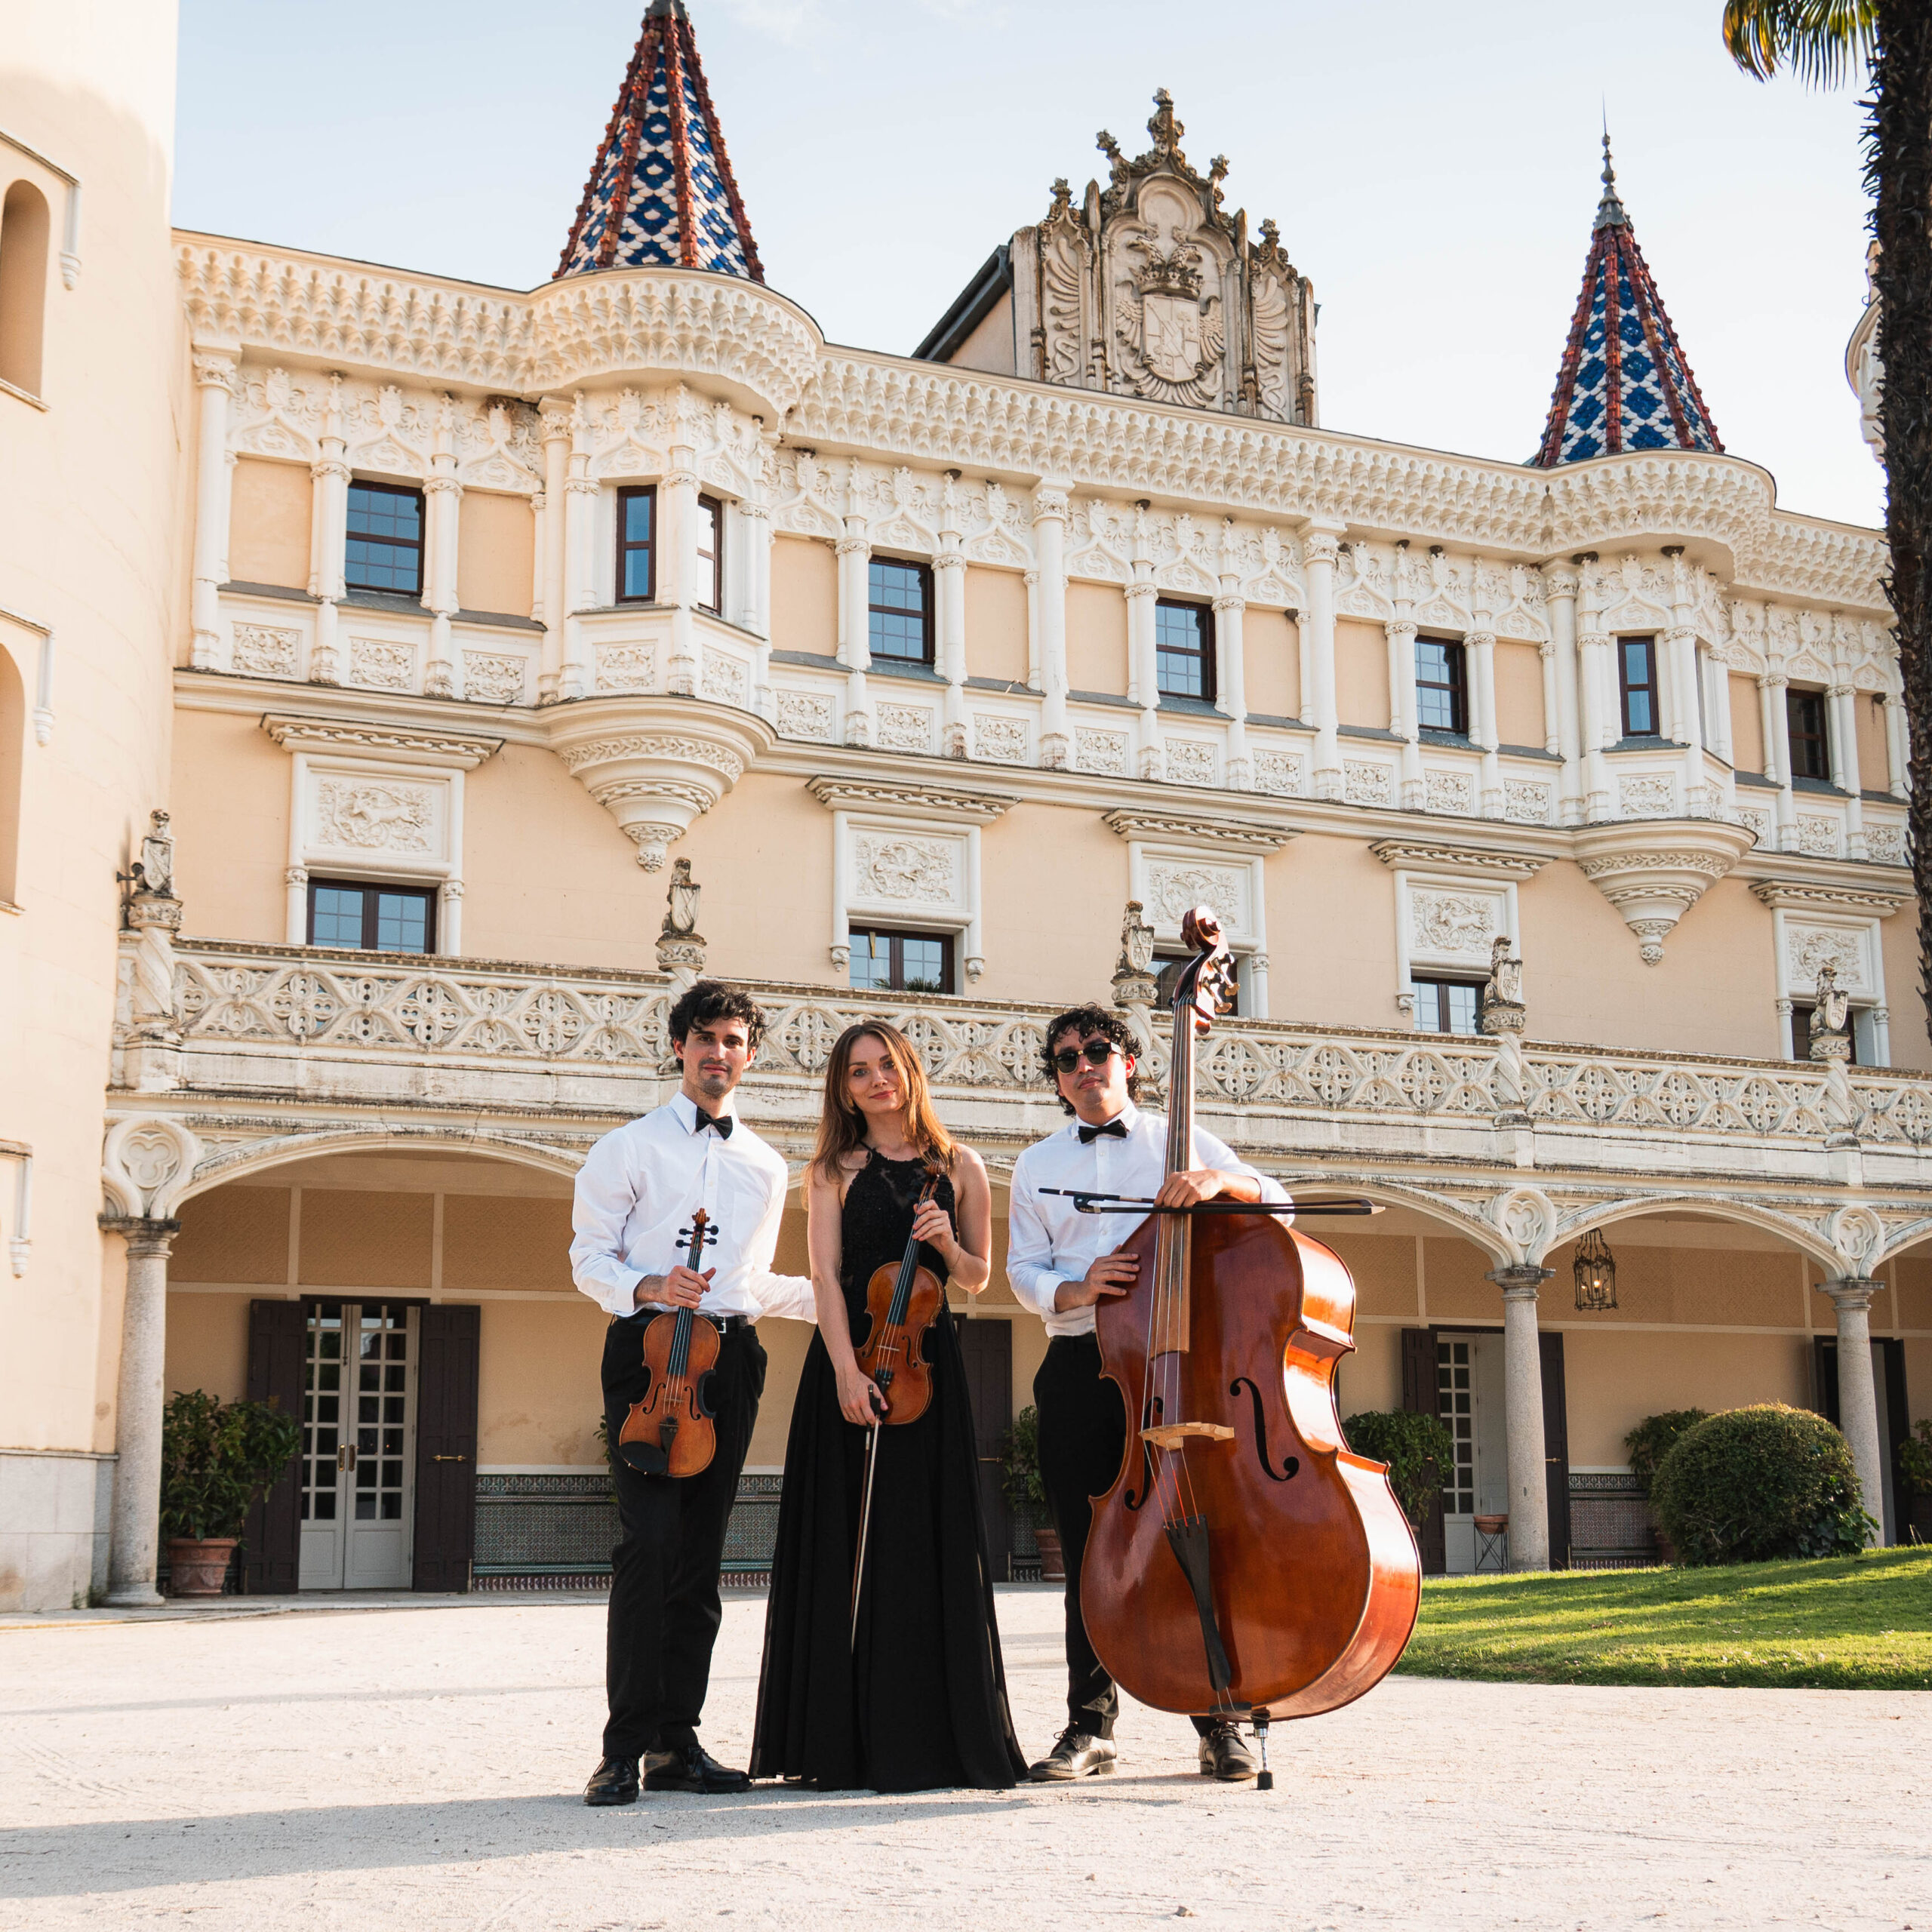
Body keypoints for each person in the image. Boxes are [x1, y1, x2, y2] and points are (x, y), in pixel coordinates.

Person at [1006, 1001, 1289, 1784]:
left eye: (1097, 1050)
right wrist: (1076, 1287)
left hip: (1172, 1364)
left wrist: (1220, 1180)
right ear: (1057, 1080)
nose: (1084, 1064)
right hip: (1078, 1369)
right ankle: (1089, 1725)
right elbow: (1021, 1270)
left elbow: (1280, 1201)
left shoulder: (1180, 1138)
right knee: (1089, 1550)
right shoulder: (1036, 1165)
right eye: (1067, 1058)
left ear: (1127, 1060)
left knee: (1195, 1536)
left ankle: (1219, 1720)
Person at [750, 1020, 1026, 1792]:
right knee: (842, 1544)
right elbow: (827, 1278)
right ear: (843, 1088)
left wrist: (945, 1242)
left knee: (924, 1543)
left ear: (909, 1070)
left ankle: (931, 1735)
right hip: (847, 1360)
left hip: (927, 1372)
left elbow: (976, 1279)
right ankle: (836, 1744)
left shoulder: (960, 1165)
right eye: (859, 1071)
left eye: (887, 1065)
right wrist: (843, 1369)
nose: (877, 1080)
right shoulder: (831, 1170)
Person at [571, 980, 817, 1807]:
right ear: (680, 1046)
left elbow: (750, 1281)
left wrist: (845, 1302)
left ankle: (679, 1742)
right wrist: (647, 1283)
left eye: (734, 1039)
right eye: (705, 1037)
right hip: (646, 1352)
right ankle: (622, 1747)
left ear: (751, 1054)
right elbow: (587, 1260)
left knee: (703, 1556)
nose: (719, 1052)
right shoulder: (627, 1147)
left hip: (729, 1361)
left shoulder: (765, 1163)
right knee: (648, 1548)